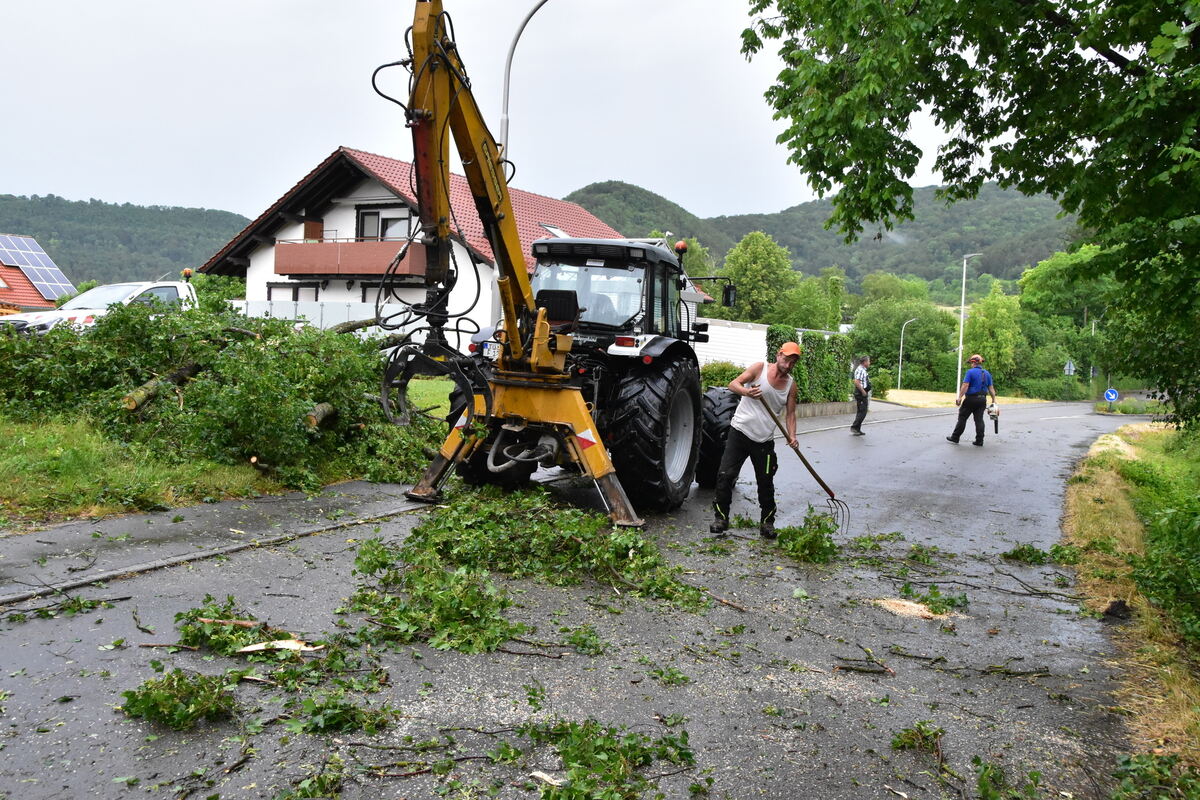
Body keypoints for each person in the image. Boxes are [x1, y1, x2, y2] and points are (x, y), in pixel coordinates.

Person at [710, 342, 800, 539]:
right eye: (786, 359)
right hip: (739, 432)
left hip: (764, 440)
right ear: (779, 355)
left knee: (766, 482)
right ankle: (721, 518)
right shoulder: (759, 369)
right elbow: (733, 384)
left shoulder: (791, 386)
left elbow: (790, 414)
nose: (788, 365)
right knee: (725, 475)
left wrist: (792, 436)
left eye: (792, 362)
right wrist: (747, 392)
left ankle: (767, 523)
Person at [947, 354, 997, 446]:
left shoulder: (970, 372)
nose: (970, 364)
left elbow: (965, 385)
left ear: (974, 362)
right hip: (982, 400)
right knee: (979, 420)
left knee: (962, 417)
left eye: (971, 362)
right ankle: (979, 440)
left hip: (971, 399)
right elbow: (991, 388)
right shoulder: (987, 373)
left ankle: (955, 437)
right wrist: (994, 400)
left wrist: (960, 397)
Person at [850, 355, 871, 435]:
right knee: (863, 411)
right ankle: (854, 427)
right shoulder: (860, 370)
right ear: (865, 362)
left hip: (862, 392)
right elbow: (856, 382)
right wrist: (863, 392)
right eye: (868, 361)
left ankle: (857, 429)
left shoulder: (862, 370)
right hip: (861, 393)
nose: (869, 363)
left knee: (861, 411)